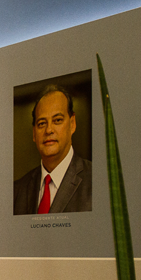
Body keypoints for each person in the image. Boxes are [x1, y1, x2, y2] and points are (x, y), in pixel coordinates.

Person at [13, 85, 92, 215]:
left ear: (72, 124)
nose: (49, 130)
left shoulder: (96, 181)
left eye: (57, 120)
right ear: (34, 133)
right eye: (42, 123)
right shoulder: (16, 191)